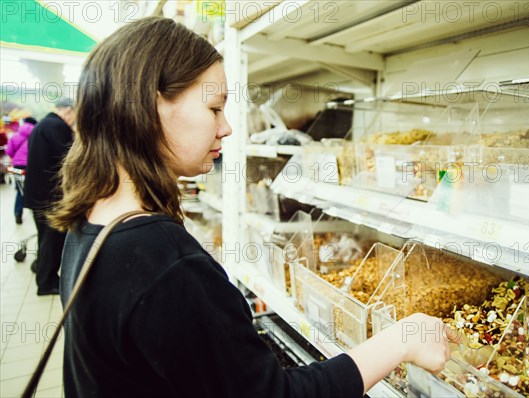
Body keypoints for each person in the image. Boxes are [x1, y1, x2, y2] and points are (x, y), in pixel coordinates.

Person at [50, 18, 458, 397]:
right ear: (150, 106)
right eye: (214, 108)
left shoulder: (91, 222)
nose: (226, 127)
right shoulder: (166, 263)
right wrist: (399, 340)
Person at [24, 98, 75, 295]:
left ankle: (42, 270)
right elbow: (69, 159)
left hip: (38, 194)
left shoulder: (43, 124)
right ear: (68, 111)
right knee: (52, 240)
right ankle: (46, 283)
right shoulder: (57, 127)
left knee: (45, 238)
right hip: (49, 196)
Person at [5, 117, 37, 224]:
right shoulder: (37, 135)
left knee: (20, 189)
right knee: (34, 188)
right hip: (32, 166)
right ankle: (36, 214)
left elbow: (9, 151)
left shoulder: (15, 135)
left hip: (18, 166)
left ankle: (18, 213)